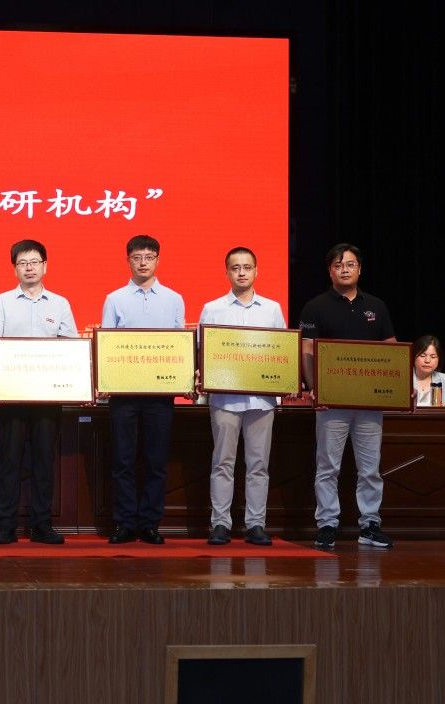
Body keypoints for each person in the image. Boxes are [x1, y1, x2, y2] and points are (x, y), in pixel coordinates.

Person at [300, 242, 396, 549]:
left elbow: (391, 349)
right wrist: (314, 388)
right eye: (338, 265)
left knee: (370, 468)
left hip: (369, 403)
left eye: (350, 264)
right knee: (328, 467)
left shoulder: (376, 306)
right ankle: (327, 524)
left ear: (359, 269)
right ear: (330, 271)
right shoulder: (315, 306)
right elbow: (306, 351)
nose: (344, 269)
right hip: (331, 402)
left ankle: (370, 524)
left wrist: (395, 388)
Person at [0, 239, 77, 545]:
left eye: (34, 262)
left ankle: (41, 525)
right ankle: (5, 524)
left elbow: (70, 347)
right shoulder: (1, 302)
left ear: (45, 266)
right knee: (9, 460)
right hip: (11, 395)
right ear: (15, 269)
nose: (29, 268)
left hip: (47, 396)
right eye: (22, 263)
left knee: (44, 462)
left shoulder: (60, 304)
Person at [197, 247, 286, 547]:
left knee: (258, 464)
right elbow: (203, 351)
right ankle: (220, 523)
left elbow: (282, 352)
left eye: (247, 267)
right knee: (222, 462)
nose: (242, 273)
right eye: (235, 268)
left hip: (261, 401)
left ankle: (256, 524)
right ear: (227, 272)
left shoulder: (272, 309)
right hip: (225, 399)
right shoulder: (213, 309)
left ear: (256, 271)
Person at [100, 235, 185, 546]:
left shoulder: (174, 299)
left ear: (158, 260)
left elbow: (180, 347)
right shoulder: (115, 299)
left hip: (160, 394)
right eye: (137, 257)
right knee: (122, 461)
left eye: (149, 257)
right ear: (128, 261)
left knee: (156, 461)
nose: (143, 262)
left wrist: (184, 380)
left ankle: (150, 524)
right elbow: (106, 345)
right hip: (123, 394)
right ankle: (125, 523)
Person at [412, 335, 445, 407]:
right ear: (413, 357)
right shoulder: (404, 378)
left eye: (433, 357)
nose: (427, 360)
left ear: (438, 359)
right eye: (422, 355)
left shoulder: (444, 379)